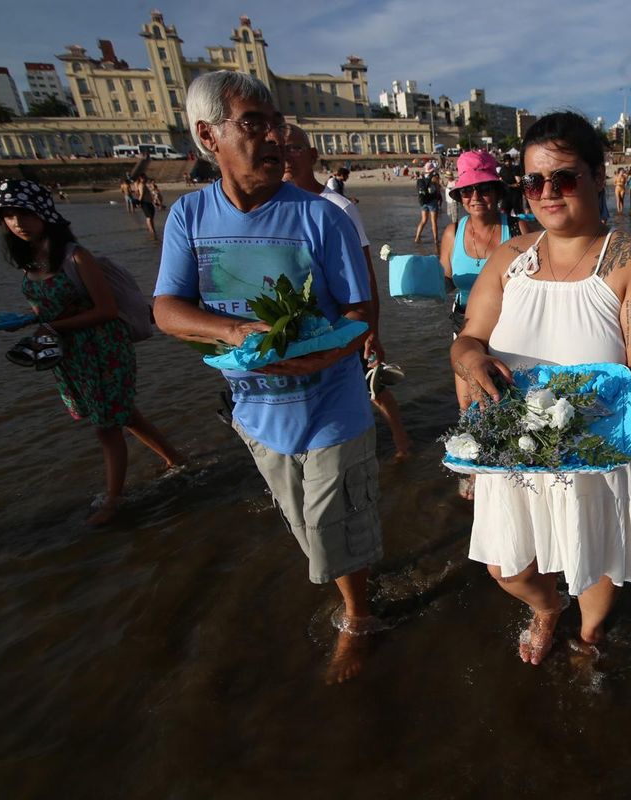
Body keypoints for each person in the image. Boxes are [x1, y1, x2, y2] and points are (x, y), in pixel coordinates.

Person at [152, 71, 383, 685]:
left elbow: (360, 314)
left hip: (333, 403)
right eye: (254, 122)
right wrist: (235, 334)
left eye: (275, 122)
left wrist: (325, 355)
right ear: (208, 135)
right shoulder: (188, 218)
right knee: (308, 531)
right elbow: (166, 310)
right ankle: (350, 586)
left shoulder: (320, 216)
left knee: (337, 529)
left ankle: (358, 618)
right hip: (256, 414)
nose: (274, 135)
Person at [449, 111, 631, 664]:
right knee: (506, 566)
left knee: (597, 547)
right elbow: (468, 339)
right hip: (519, 439)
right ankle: (547, 606)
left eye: (565, 177)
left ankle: (589, 634)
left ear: (599, 176)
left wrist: (563, 429)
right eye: (534, 182)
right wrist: (470, 362)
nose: (547, 192)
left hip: (602, 443)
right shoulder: (510, 258)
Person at [0, 179, 184, 526]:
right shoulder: (31, 261)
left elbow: (106, 309)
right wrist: (20, 320)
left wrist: (51, 327)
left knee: (106, 425)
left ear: (43, 213)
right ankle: (176, 459)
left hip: (102, 349)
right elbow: (52, 307)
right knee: (124, 413)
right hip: (70, 354)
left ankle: (113, 500)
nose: (17, 222)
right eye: (9, 216)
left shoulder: (76, 256)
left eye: (24, 213)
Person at [282, 124, 410, 461]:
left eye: (294, 148)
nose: (286, 157)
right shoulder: (276, 208)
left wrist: (372, 330)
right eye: (279, 150)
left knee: (372, 386)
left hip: (345, 319)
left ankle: (401, 445)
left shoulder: (337, 206)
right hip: (306, 325)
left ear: (312, 156)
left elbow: (367, 273)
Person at [439, 150, 531, 498]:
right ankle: (475, 467)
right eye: (467, 191)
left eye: (484, 189)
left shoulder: (519, 229)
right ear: (460, 197)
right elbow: (446, 280)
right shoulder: (452, 233)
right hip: (465, 328)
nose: (475, 197)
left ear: (497, 190)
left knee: (508, 397)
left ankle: (514, 462)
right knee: (468, 401)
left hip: (510, 330)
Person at [414, 163, 443, 250]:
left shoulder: (421, 178)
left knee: (423, 220)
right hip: (432, 201)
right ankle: (435, 240)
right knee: (433, 221)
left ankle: (417, 238)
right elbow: (437, 190)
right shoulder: (434, 177)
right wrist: (439, 198)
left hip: (423, 201)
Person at [132, 173, 159, 240]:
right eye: (145, 177)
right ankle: (152, 231)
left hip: (148, 203)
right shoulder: (141, 185)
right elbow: (141, 194)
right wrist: (139, 202)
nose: (146, 178)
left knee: (150, 217)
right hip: (145, 203)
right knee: (149, 217)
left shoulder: (143, 185)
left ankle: (152, 230)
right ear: (141, 178)